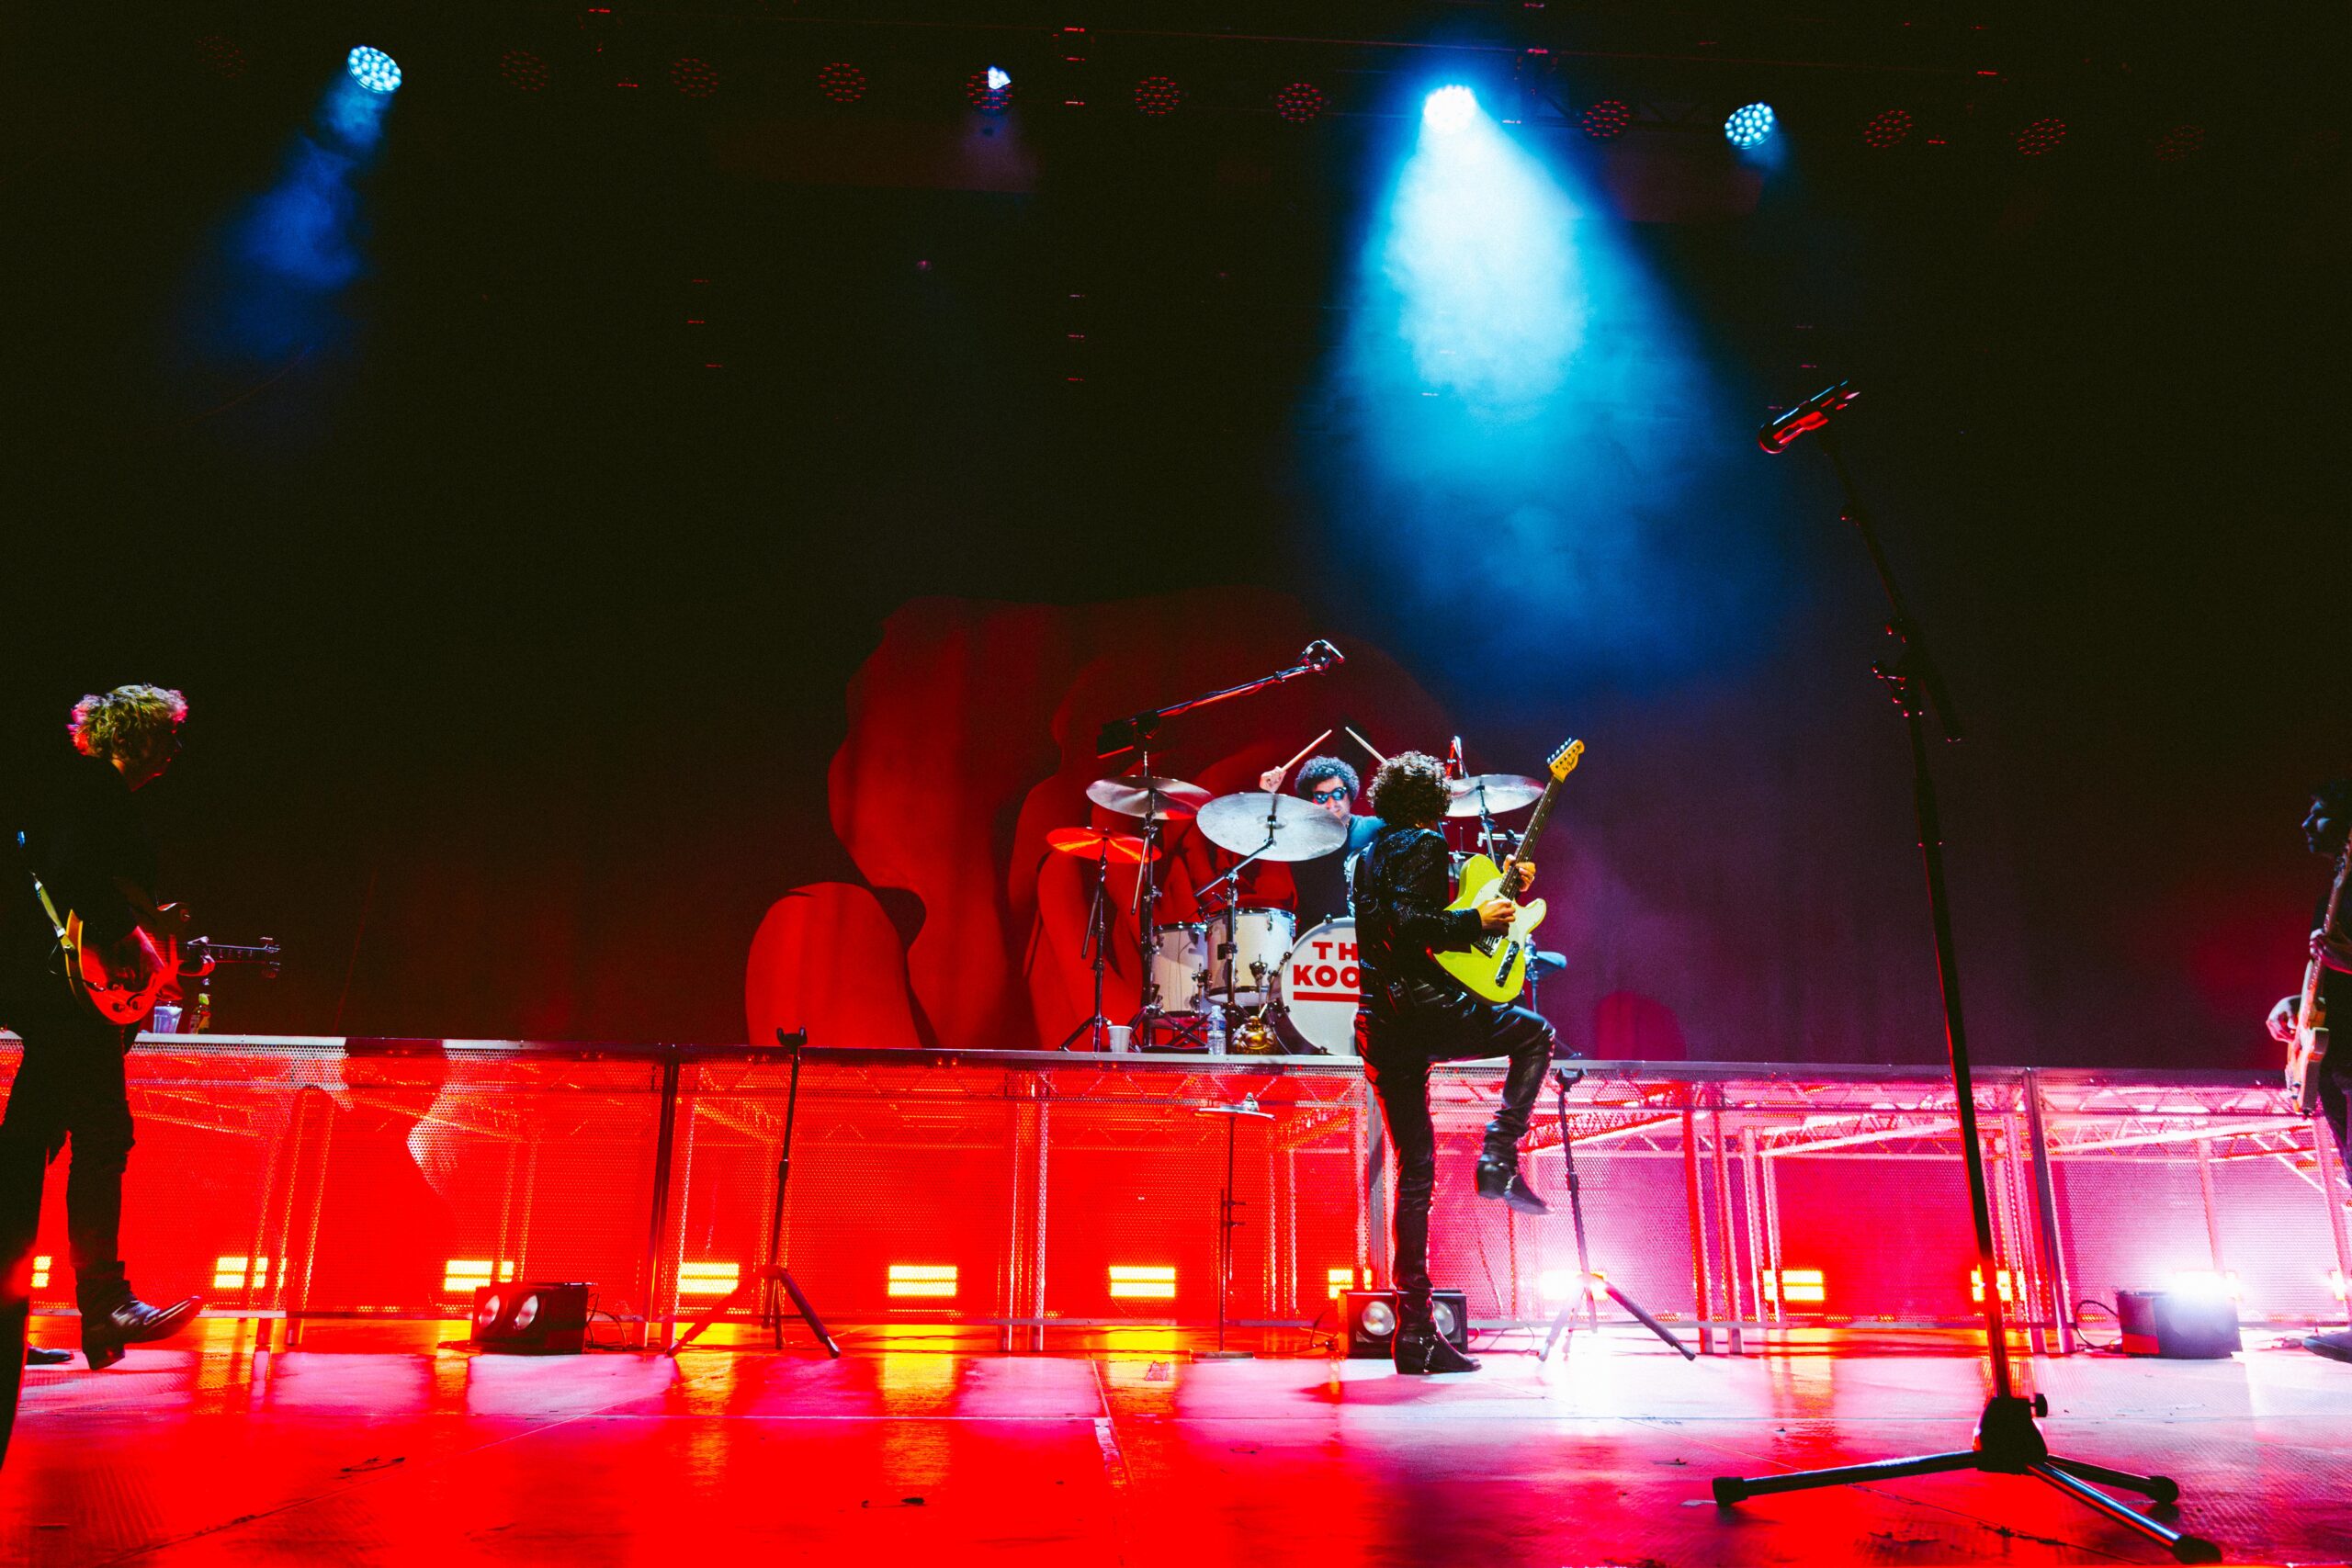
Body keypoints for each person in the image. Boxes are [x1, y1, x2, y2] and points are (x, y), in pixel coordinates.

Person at [0, 685, 202, 1369]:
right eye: (166, 735)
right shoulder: (92, 788)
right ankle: (106, 1302)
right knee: (103, 1134)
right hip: (65, 996)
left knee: (23, 1148)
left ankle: (12, 1319)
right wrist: (134, 936)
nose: (175, 749)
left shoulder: (81, 792)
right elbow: (73, 872)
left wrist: (153, 934)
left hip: (58, 991)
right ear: (131, 735)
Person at [1351, 750, 1557, 1374]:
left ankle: (1414, 1332)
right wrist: (1477, 918)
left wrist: (1493, 896)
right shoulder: (1424, 843)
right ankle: (1498, 1155)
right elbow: (1410, 926)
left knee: (1415, 1172)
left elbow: (1395, 922)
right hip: (1423, 1009)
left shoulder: (1369, 854)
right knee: (1535, 1036)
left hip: (1378, 1023)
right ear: (1434, 801)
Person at [2267, 778, 2352, 1366]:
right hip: (2340, 1060)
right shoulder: (2335, 892)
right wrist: (2297, 1005)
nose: (2305, 825)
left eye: (2317, 814)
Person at [1255, 755, 1383, 931]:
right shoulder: (1298, 836)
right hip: (1314, 936)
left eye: (1338, 793)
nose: (1331, 803)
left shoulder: (1375, 828)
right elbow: (1258, 836)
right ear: (1311, 800)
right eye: (1321, 796)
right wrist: (1265, 793)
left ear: (1350, 794)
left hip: (1369, 934)